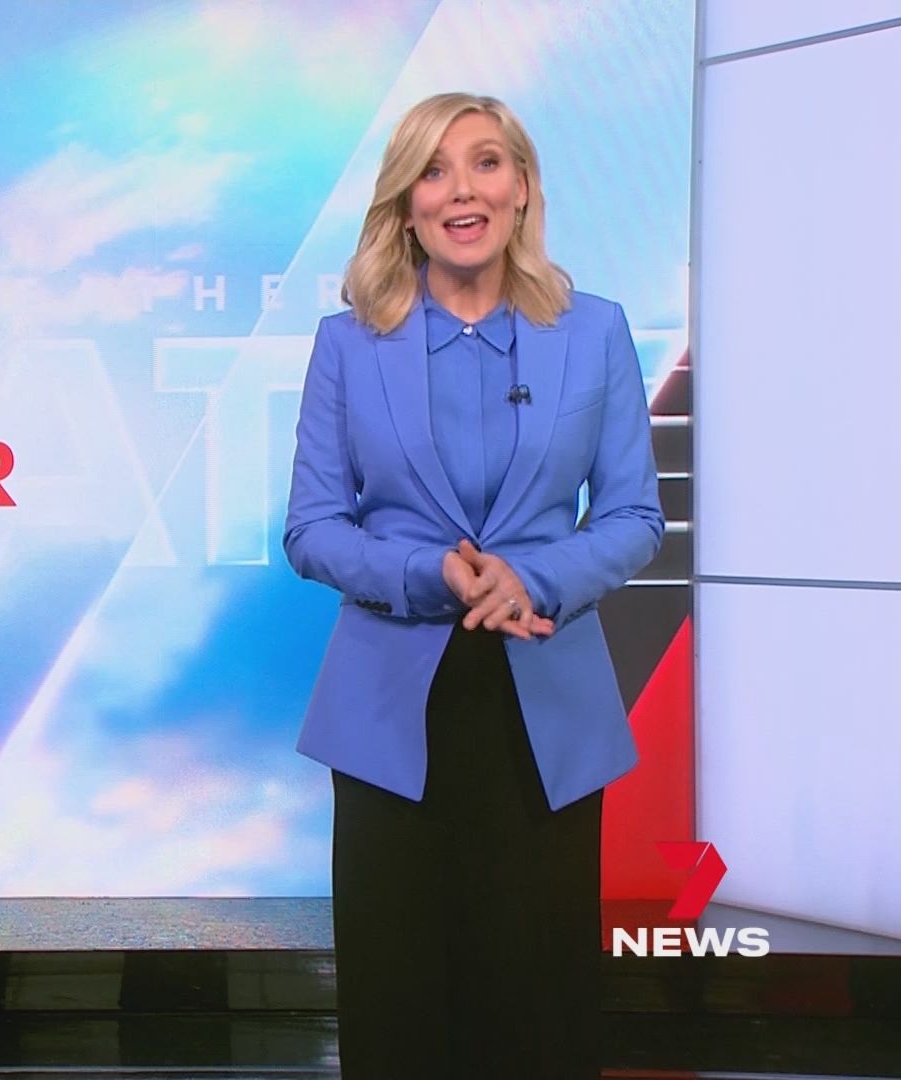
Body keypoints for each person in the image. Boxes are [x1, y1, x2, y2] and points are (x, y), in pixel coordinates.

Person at [282, 92, 664, 1079]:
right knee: (401, 1010)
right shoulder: (347, 344)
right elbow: (312, 529)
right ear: (406, 204)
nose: (463, 190)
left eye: (487, 163)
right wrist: (429, 572)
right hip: (390, 715)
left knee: (538, 1013)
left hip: (546, 709)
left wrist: (532, 576)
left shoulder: (595, 332)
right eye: (435, 170)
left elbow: (633, 516)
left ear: (523, 187)